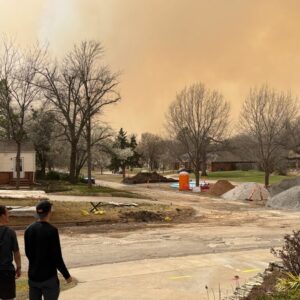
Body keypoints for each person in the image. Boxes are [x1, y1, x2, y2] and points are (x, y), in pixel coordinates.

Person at [25, 200, 72, 300]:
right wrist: (66, 275)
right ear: (50, 212)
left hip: (33, 277)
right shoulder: (52, 230)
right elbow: (57, 257)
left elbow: (28, 253)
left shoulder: (28, 230)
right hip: (49, 277)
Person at [0, 205, 21, 300]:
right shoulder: (10, 232)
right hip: (6, 271)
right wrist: (19, 267)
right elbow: (16, 252)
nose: (9, 215)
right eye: (7, 213)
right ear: (2, 216)